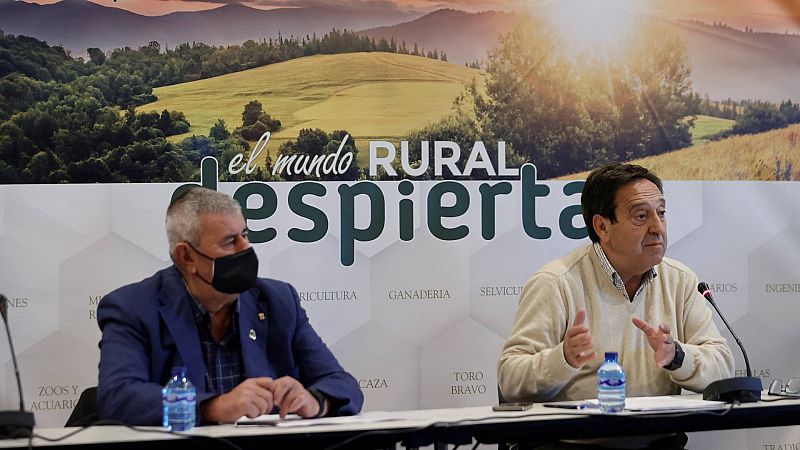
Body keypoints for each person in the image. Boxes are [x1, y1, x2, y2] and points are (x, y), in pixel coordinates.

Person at [497, 163, 734, 449]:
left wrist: (678, 356)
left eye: (661, 213)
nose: (657, 228)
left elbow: (723, 368)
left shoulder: (681, 280)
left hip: (658, 444)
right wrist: (563, 359)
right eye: (641, 216)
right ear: (602, 226)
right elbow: (510, 380)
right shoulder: (556, 282)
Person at [96, 187, 363, 425]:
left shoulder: (277, 300)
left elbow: (343, 385)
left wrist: (314, 401)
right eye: (229, 241)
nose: (246, 249)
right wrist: (215, 407)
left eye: (245, 235)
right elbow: (118, 396)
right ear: (187, 257)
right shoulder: (132, 308)